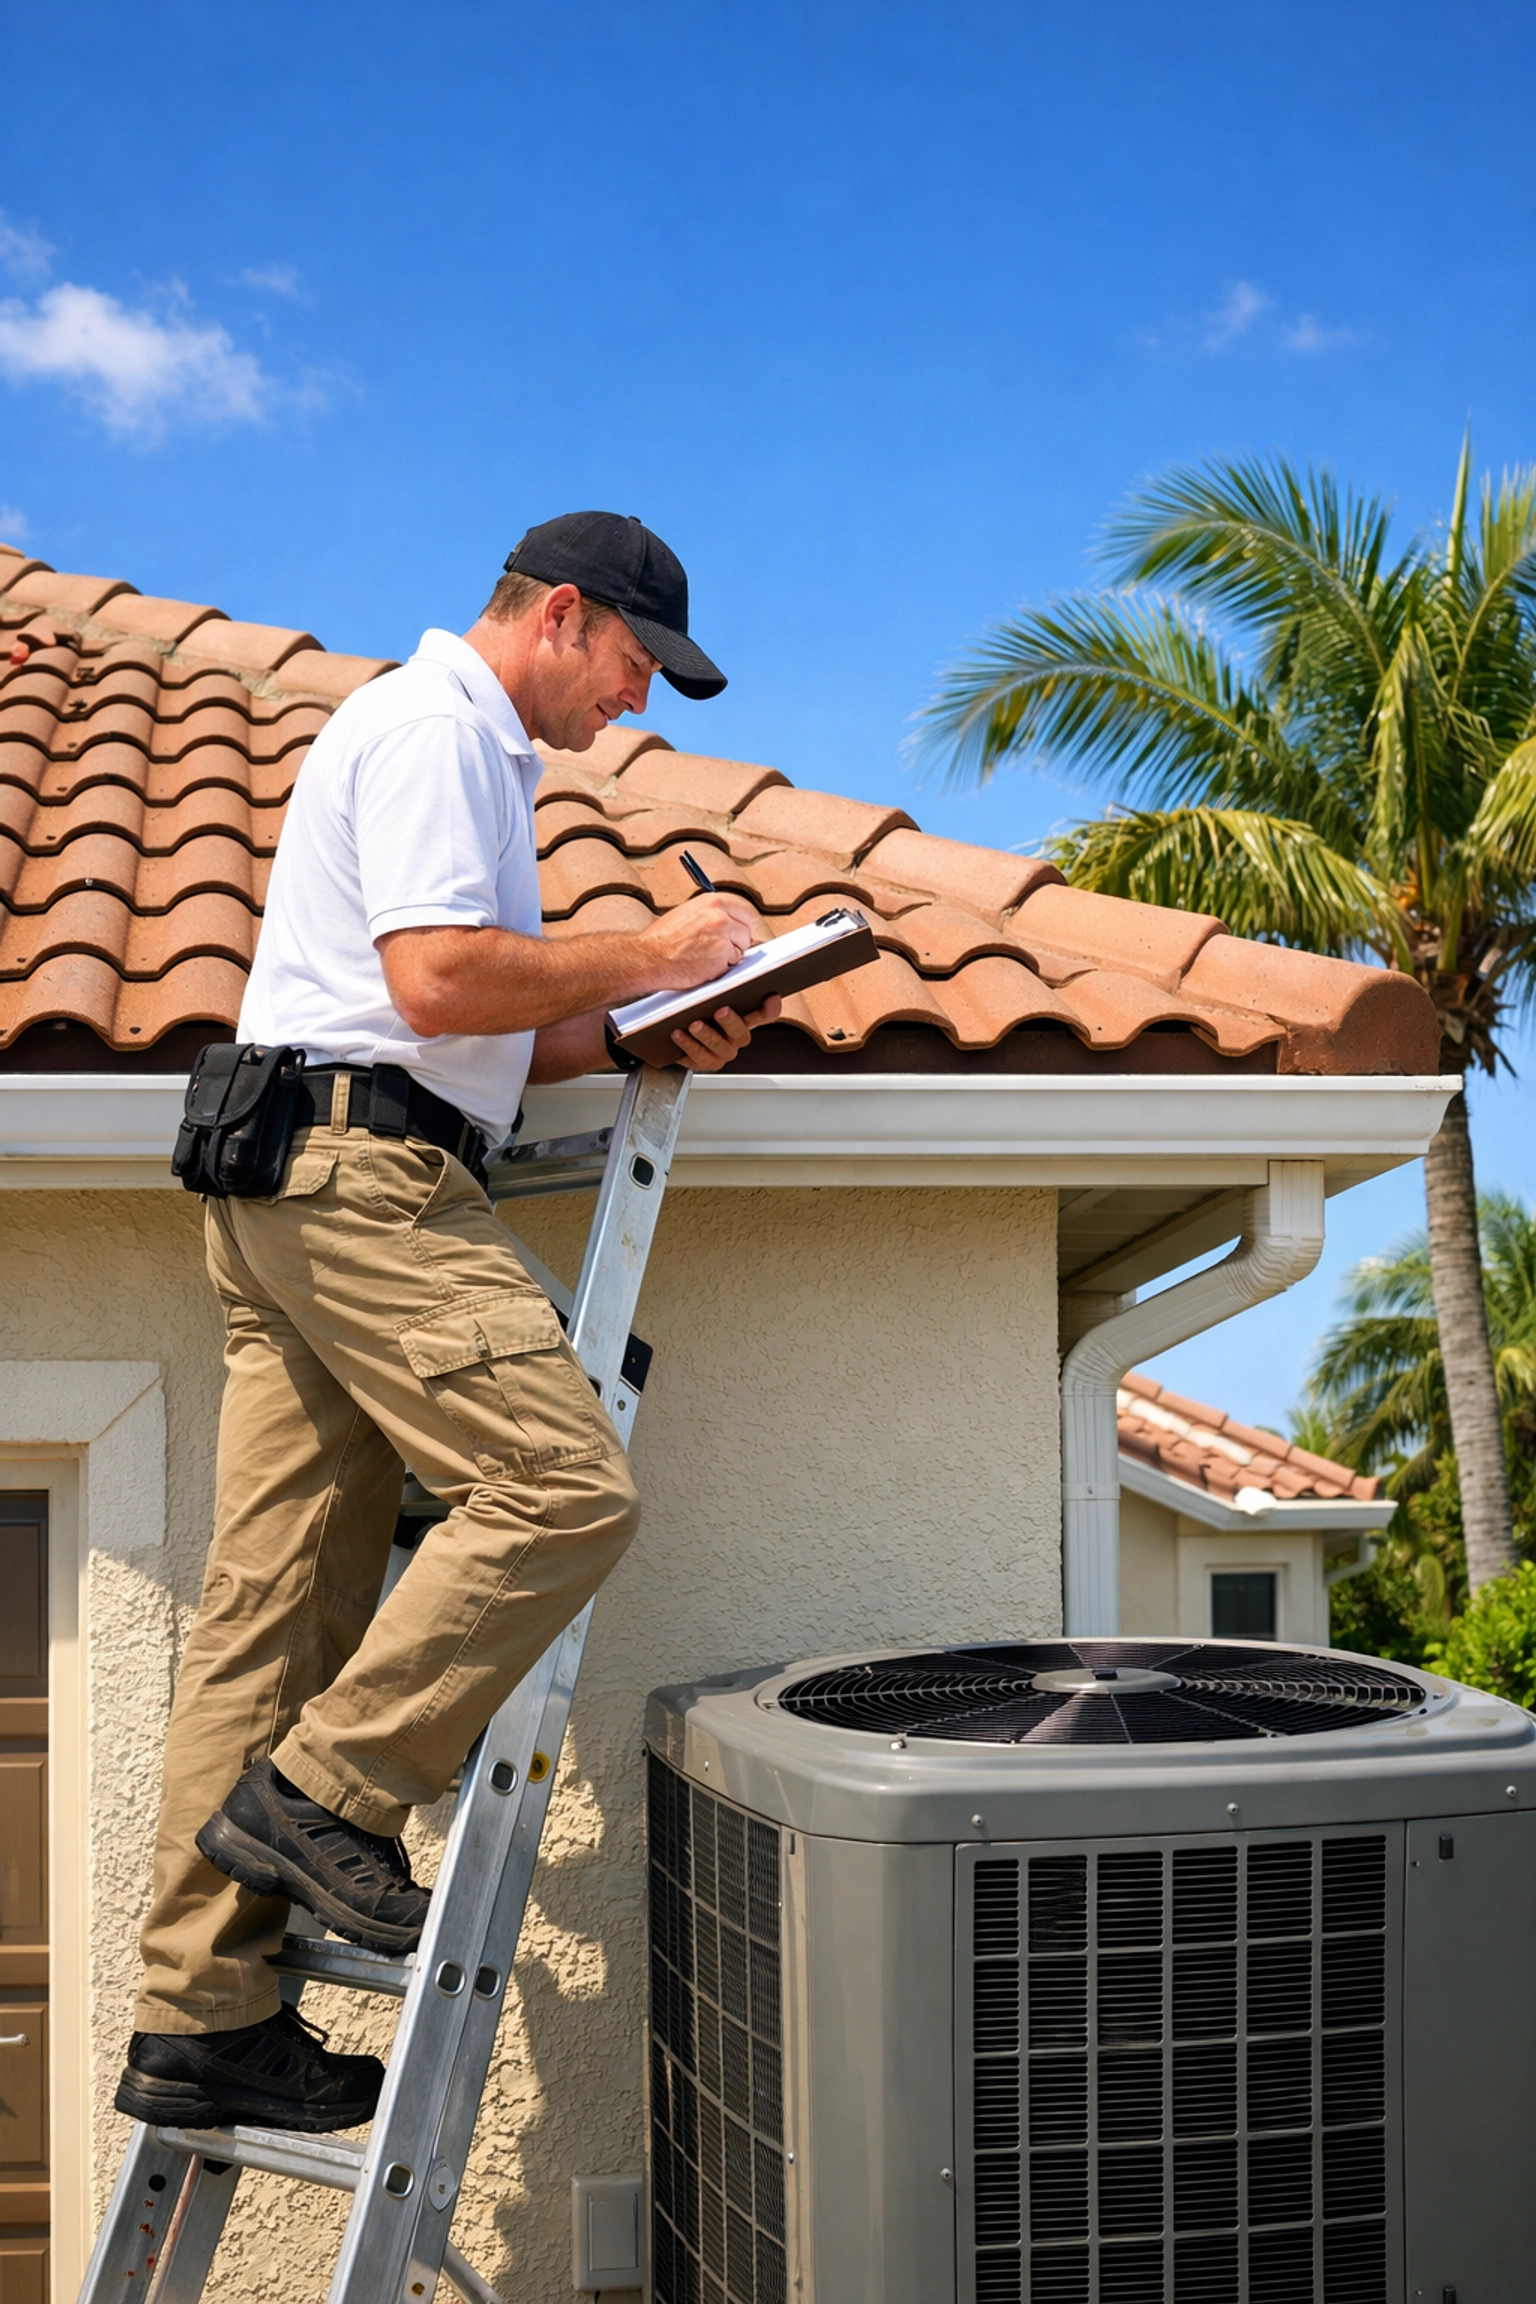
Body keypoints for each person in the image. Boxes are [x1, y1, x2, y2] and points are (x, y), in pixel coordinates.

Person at [116, 513, 779, 2134]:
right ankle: (325, 1796)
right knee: (567, 1490)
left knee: (273, 1611)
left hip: (295, 1175)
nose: (640, 705)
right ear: (562, 614)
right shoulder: (438, 732)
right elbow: (432, 983)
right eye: (636, 666)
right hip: (360, 1182)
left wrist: (647, 1027)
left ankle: (201, 2020)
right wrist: (669, 942)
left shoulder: (471, 757)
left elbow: (462, 1025)